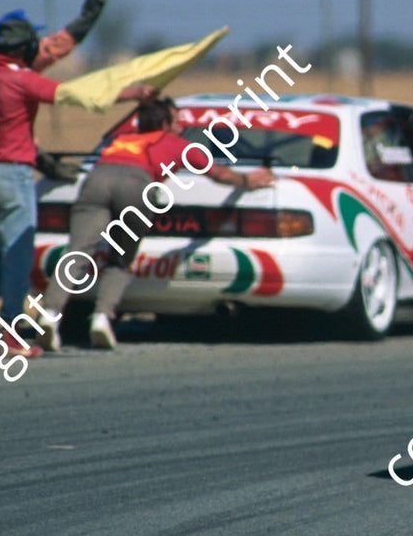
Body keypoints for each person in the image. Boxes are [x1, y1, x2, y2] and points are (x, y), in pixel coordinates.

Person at [0, 6, 153, 358]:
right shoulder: (23, 80)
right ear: (24, 48)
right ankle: (11, 331)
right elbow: (77, 95)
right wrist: (131, 93)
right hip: (12, 173)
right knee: (18, 254)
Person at [36, 95, 276, 350]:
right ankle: (101, 318)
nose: (180, 126)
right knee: (120, 259)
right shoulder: (177, 144)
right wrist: (247, 181)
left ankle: (50, 314)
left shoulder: (122, 140)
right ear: (163, 124)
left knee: (77, 252)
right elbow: (219, 174)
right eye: (175, 121)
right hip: (136, 185)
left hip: (97, 180)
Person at [0, 0, 108, 343]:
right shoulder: (25, 72)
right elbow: (64, 49)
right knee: (10, 244)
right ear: (26, 45)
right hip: (0, 158)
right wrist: (89, 17)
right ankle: (3, 323)